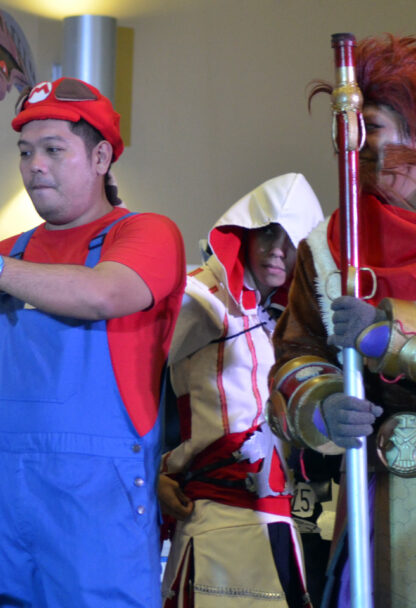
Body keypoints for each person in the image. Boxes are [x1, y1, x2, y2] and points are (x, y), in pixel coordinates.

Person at [0, 76, 186, 606]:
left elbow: (103, 294)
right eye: (25, 152)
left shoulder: (145, 234)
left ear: (101, 157)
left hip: (96, 503)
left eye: (53, 150)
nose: (34, 165)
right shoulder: (5, 255)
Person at [271, 34, 416, 607]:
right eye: (351, 131)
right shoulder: (329, 248)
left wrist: (390, 338)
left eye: (372, 127)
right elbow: (295, 353)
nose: (355, 144)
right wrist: (323, 403)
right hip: (374, 498)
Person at [159, 173, 323, 607]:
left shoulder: (283, 319)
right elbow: (125, 384)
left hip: (277, 517)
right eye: (267, 232)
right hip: (217, 518)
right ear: (245, 232)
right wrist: (148, 476)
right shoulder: (202, 298)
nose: (277, 249)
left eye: (291, 238)